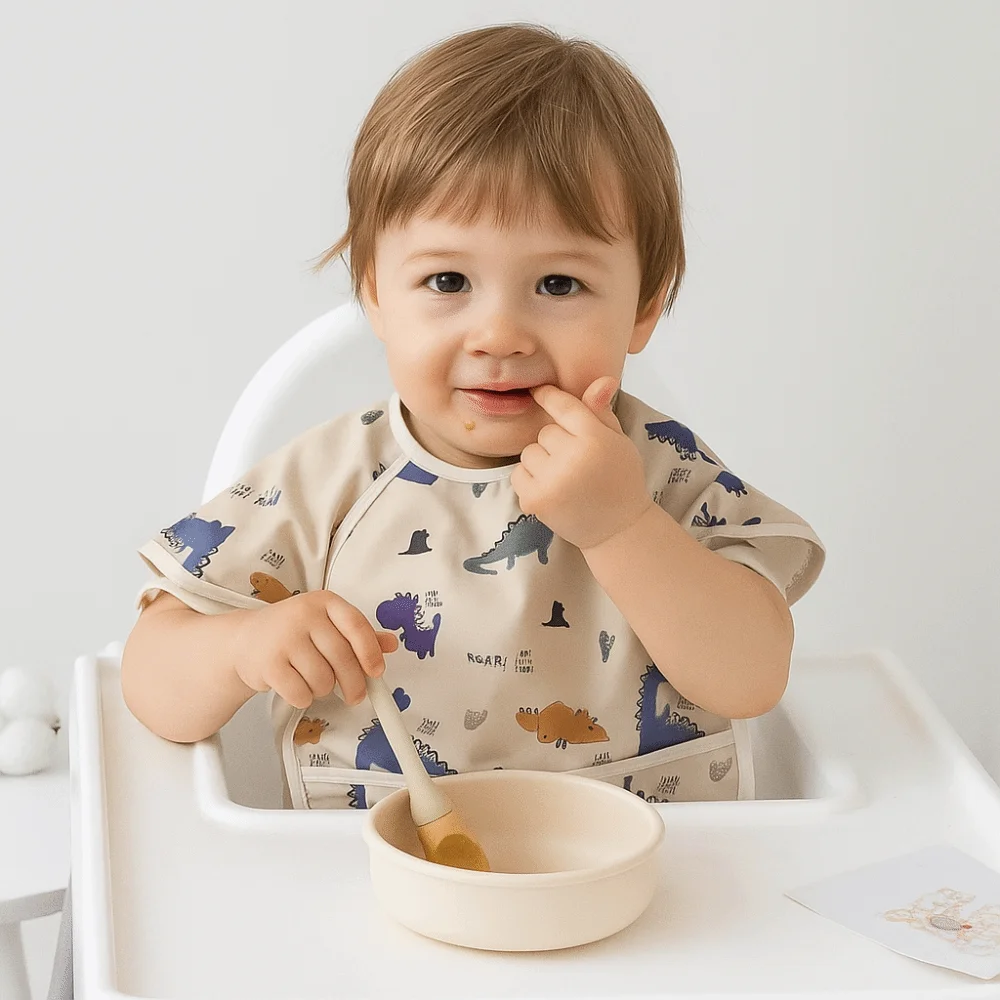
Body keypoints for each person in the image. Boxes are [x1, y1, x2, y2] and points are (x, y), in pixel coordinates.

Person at [120, 22, 825, 811]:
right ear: (375, 293)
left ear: (643, 308)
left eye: (558, 285)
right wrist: (242, 647)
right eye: (449, 281)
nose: (499, 335)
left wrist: (624, 527)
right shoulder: (326, 484)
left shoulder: (662, 471)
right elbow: (149, 683)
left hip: (646, 866)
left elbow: (753, 677)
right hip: (374, 864)